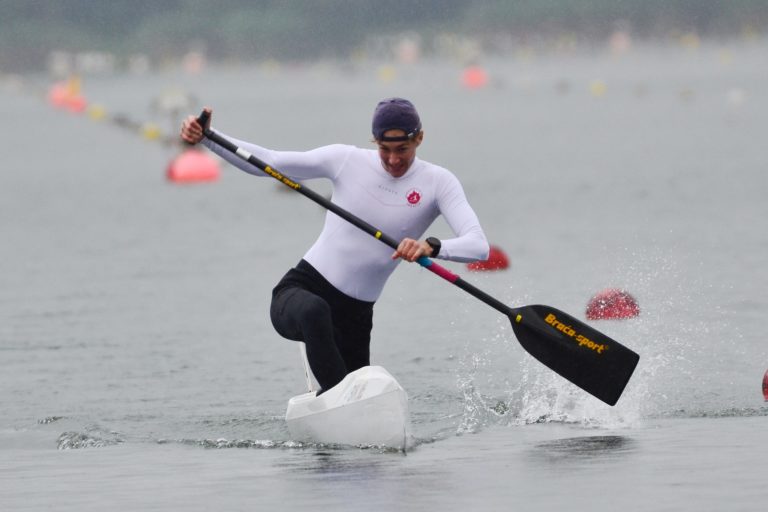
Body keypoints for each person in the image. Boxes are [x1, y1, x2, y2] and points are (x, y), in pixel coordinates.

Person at [180, 98, 489, 393]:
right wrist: (208, 137)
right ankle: (341, 399)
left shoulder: (438, 183)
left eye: (402, 149)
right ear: (374, 142)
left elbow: (478, 246)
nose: (393, 159)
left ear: (419, 139)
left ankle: (340, 406)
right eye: (384, 149)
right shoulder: (345, 160)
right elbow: (268, 162)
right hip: (301, 292)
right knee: (316, 312)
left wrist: (431, 246)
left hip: (356, 318)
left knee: (362, 412)